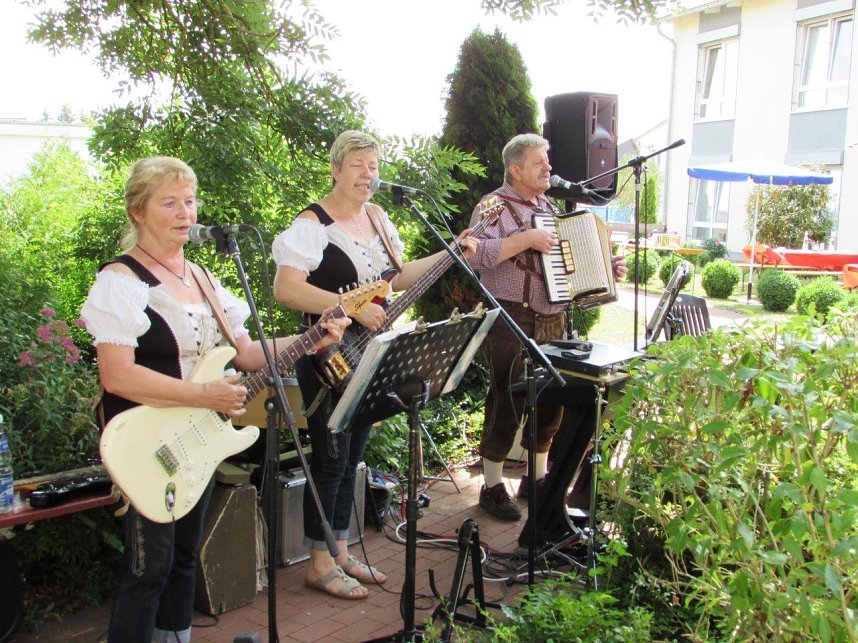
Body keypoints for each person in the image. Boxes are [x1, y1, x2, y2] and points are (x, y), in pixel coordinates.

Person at [81, 156, 349, 643]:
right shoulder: (121, 282)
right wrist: (203, 392)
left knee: (185, 556)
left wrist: (310, 337)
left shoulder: (202, 277)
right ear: (138, 211)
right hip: (145, 440)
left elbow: (245, 352)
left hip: (197, 439)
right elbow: (117, 376)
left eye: (189, 200)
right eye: (169, 203)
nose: (186, 212)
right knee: (148, 569)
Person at [272, 130, 480, 599]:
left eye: (374, 165)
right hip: (326, 357)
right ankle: (318, 563)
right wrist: (348, 305)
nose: (370, 174)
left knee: (351, 457)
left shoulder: (380, 218)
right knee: (328, 459)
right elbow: (286, 289)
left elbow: (397, 277)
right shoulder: (312, 224)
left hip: (370, 353)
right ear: (336, 170)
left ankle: (340, 551)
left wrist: (449, 254)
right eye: (359, 165)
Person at [466, 133, 627, 521]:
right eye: (540, 162)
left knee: (552, 400)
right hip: (511, 316)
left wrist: (607, 271)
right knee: (508, 400)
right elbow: (476, 257)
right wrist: (525, 239)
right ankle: (491, 486)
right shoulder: (492, 206)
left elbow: (570, 265)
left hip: (552, 318)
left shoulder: (550, 207)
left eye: (548, 161)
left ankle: (535, 481)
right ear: (516, 168)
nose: (549, 168)